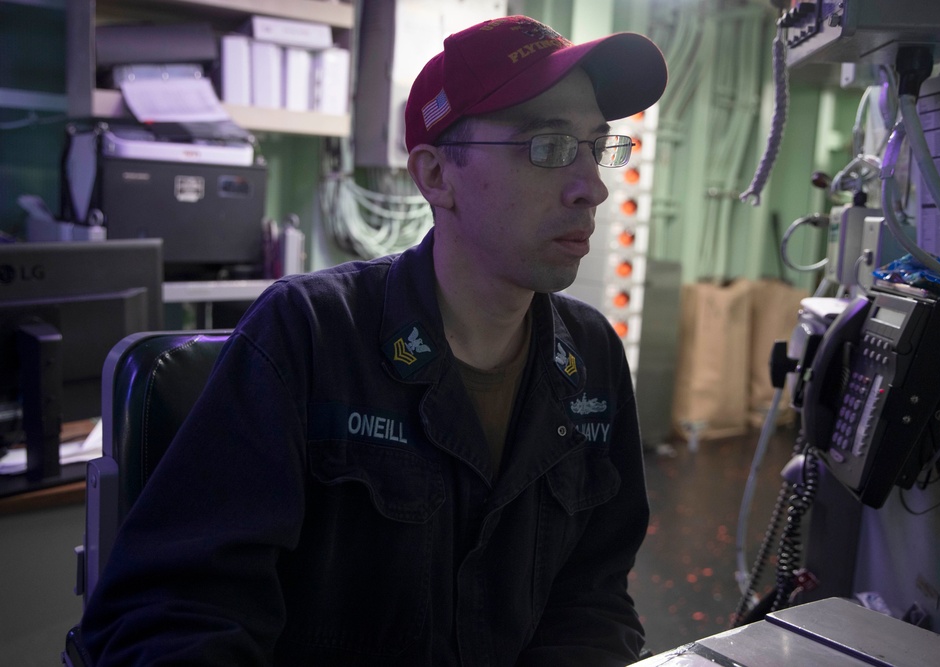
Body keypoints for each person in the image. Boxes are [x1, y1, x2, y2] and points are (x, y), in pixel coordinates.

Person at [80, 14, 668, 667]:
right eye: (550, 145)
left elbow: (592, 598)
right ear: (437, 175)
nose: (593, 186)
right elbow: (178, 613)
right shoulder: (306, 335)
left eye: (597, 145)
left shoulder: (591, 359)